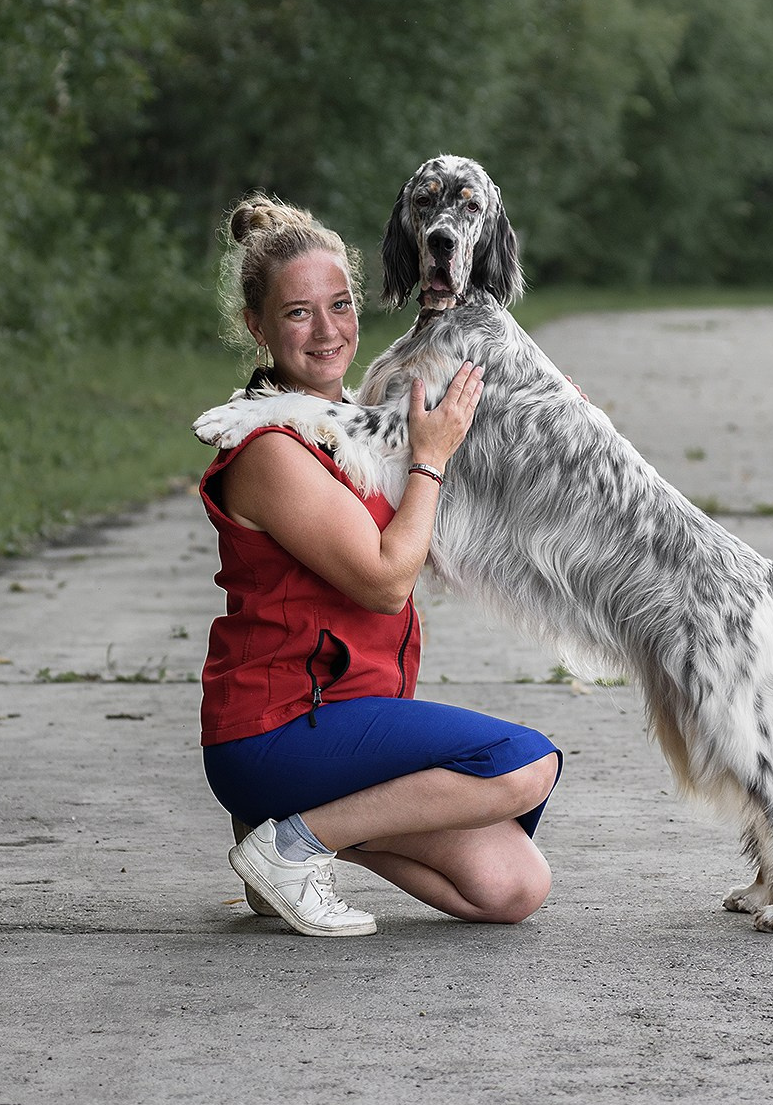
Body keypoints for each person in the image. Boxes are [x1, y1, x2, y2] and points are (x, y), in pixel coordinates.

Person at [199, 194, 562, 938]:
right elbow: (388, 576)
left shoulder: (355, 434)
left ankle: (281, 833)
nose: (327, 331)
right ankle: (294, 845)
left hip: (348, 720)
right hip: (282, 725)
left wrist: (547, 414)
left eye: (339, 305)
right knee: (524, 764)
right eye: (298, 313)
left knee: (514, 886)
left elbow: (447, 500)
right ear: (257, 327)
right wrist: (431, 458)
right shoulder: (272, 449)